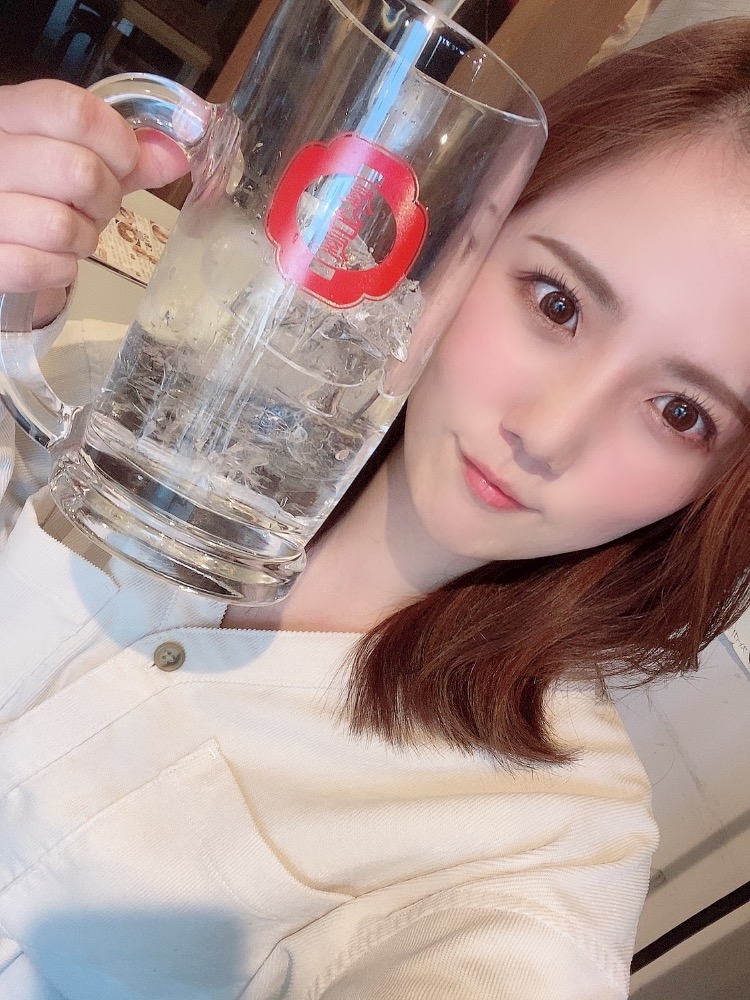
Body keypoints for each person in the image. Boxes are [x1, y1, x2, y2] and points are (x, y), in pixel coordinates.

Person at [0, 16, 748, 999]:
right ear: (472, 236)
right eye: (558, 303)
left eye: (681, 412)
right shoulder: (180, 397)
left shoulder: (548, 848)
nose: (547, 432)